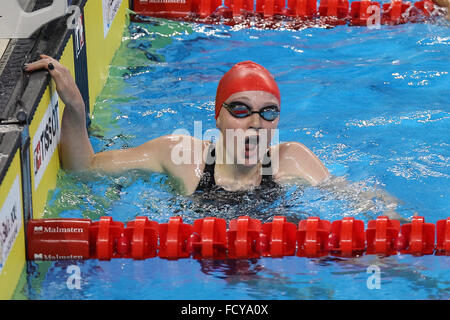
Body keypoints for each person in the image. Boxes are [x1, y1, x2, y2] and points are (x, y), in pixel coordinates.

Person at [24, 55, 408, 221]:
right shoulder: (181, 155)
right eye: (240, 110)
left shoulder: (291, 159)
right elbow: (84, 169)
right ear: (218, 115)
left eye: (268, 112)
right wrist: (74, 107)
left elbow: (358, 194)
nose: (255, 123)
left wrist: (389, 220)